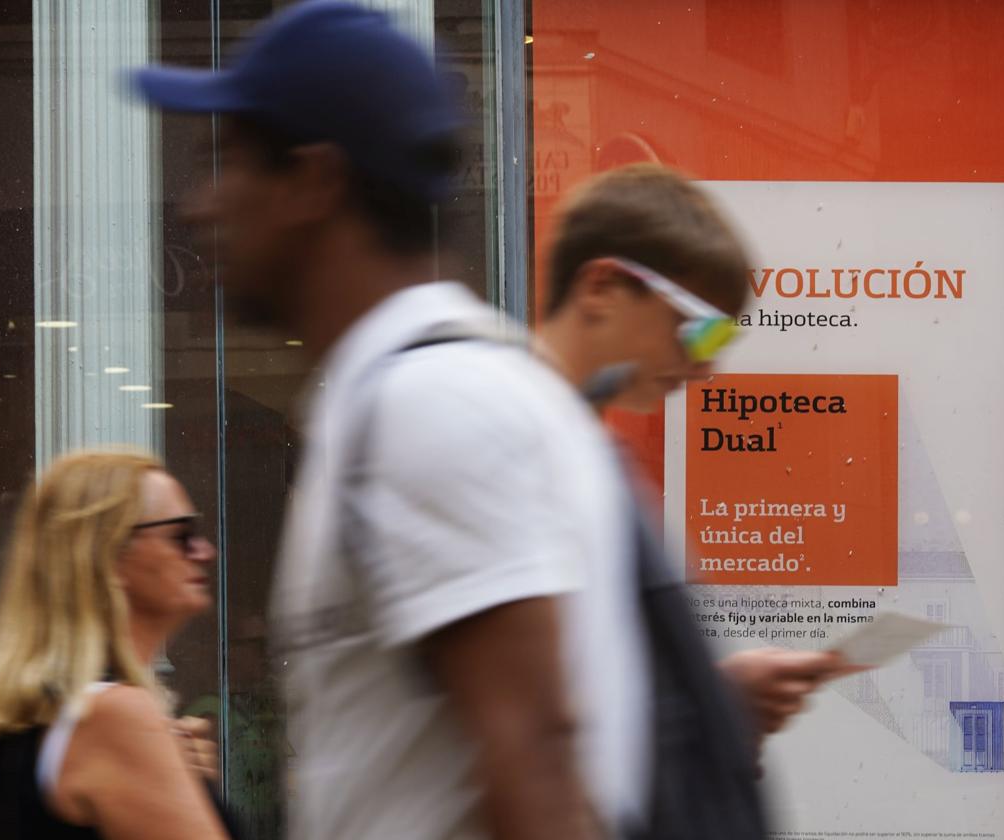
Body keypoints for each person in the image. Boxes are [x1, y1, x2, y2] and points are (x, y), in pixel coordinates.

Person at [133, 3, 627, 839]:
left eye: (226, 161)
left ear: (315, 181)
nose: (197, 205)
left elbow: (537, 756)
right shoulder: (394, 398)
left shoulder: (429, 406)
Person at [535, 164, 852, 741]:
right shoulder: (514, 444)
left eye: (723, 340)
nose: (706, 369)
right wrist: (711, 704)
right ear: (602, 287)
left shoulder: (578, 447)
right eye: (699, 329)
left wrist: (715, 693)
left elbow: (583, 683)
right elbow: (526, 721)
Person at [0, 450, 234, 840]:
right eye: (182, 536)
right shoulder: (114, 715)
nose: (205, 552)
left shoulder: (47, 719)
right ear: (110, 554)